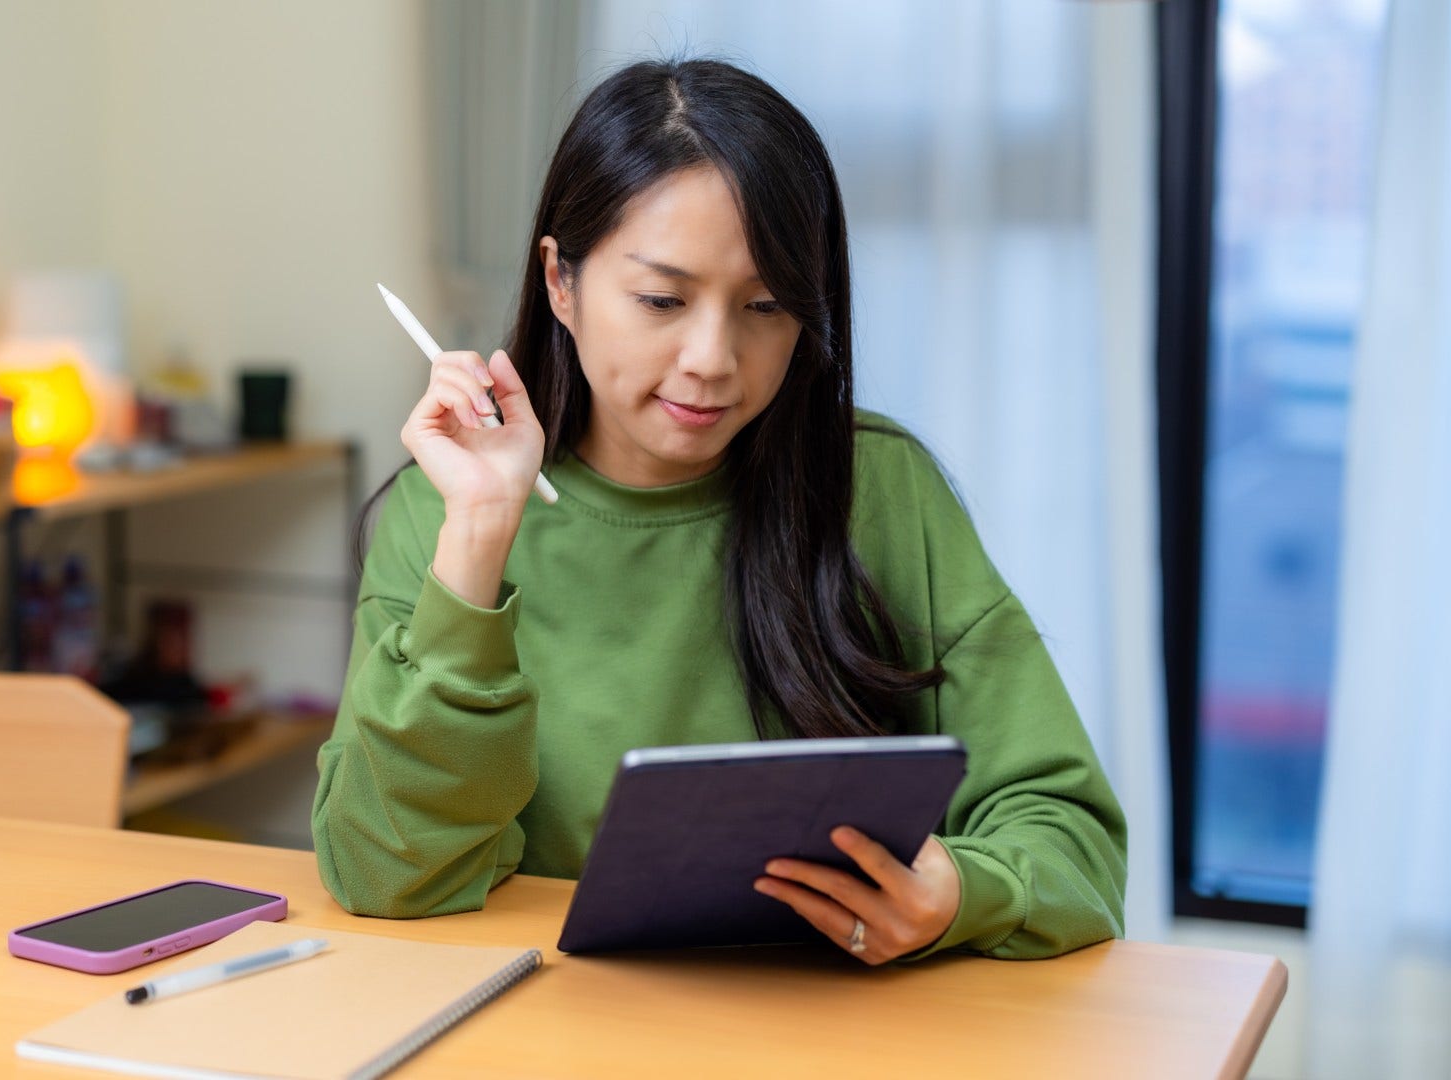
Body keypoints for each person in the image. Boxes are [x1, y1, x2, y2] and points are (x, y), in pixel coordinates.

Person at [312, 57, 1127, 963]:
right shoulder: (447, 508)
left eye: (767, 305)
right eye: (662, 299)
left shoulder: (880, 487)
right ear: (560, 282)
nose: (712, 357)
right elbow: (386, 874)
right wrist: (477, 537)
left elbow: (1075, 850)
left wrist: (960, 894)